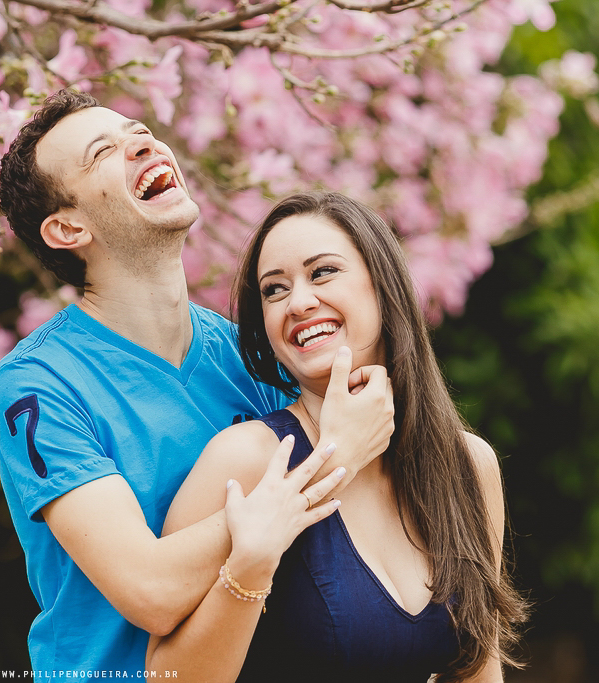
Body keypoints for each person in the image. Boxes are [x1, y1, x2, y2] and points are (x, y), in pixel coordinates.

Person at [0, 90, 395, 675]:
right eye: (103, 152)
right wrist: (335, 459)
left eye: (139, 132)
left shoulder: (255, 355)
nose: (142, 145)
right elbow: (150, 591)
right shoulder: (37, 385)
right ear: (67, 228)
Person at [146, 191, 527, 682]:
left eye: (323, 272)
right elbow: (166, 675)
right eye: (274, 290)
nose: (299, 302)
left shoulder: (470, 467)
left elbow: (479, 671)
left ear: (383, 286)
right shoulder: (247, 459)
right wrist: (251, 568)